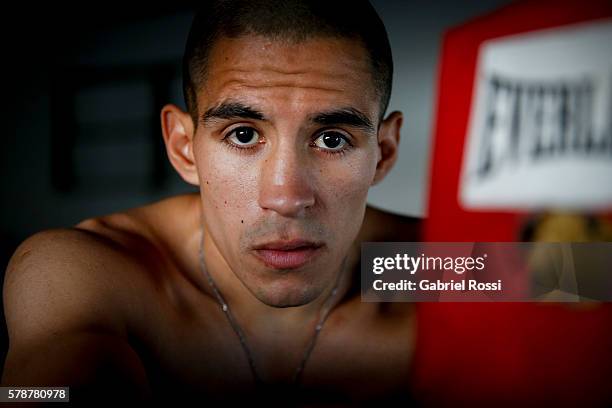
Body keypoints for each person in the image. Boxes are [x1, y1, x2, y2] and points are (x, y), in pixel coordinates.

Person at [2, 0, 421, 404]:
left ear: (383, 152)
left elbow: (483, 280)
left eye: (332, 139)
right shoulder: (102, 272)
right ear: (184, 148)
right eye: (243, 134)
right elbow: (34, 393)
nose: (286, 198)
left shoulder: (427, 269)